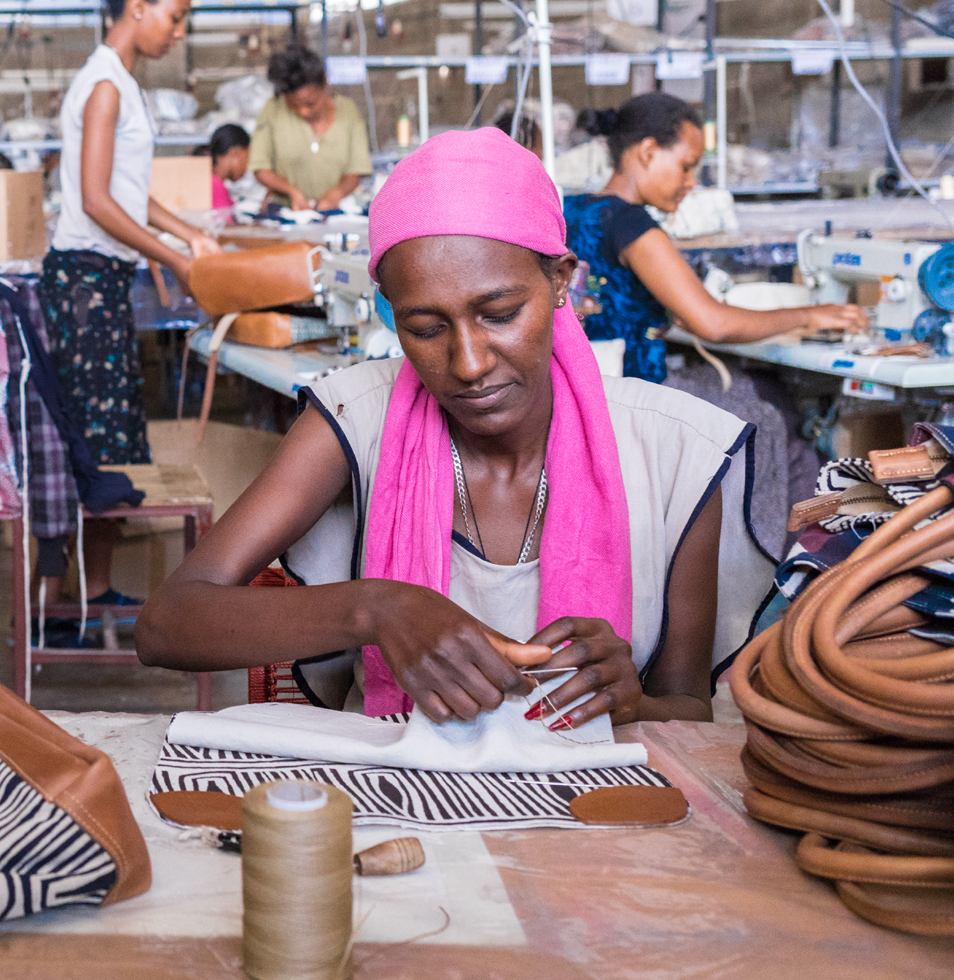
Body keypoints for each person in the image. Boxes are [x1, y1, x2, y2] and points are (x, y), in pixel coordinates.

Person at [138, 128, 774, 726]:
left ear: (559, 282)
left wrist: (631, 703)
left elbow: (688, 708)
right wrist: (377, 608)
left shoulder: (671, 454)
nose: (468, 363)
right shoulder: (355, 420)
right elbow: (167, 624)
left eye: (498, 314)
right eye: (425, 328)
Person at [42, 0, 219, 608]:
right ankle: (59, 602)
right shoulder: (107, 87)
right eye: (175, 16)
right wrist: (172, 256)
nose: (178, 31)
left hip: (99, 277)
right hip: (85, 280)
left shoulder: (114, 81)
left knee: (110, 435)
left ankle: (92, 590)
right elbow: (94, 199)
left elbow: (122, 187)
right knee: (96, 441)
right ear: (137, 7)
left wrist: (181, 229)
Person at [569, 93, 867, 383]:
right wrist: (809, 316)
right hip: (626, 404)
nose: (691, 182)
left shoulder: (573, 210)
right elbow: (714, 324)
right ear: (648, 152)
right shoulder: (631, 224)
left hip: (580, 391)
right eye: (686, 167)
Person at [249, 46, 373, 212]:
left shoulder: (348, 111)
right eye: (293, 106)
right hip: (286, 213)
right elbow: (260, 168)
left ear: (325, 85)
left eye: (310, 104)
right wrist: (292, 192)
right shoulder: (273, 110)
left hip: (337, 213)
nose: (303, 112)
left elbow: (356, 170)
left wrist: (336, 194)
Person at [197, 123, 249, 210]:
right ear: (235, 153)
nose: (246, 166)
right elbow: (224, 223)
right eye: (247, 158)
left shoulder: (216, 183)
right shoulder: (215, 186)